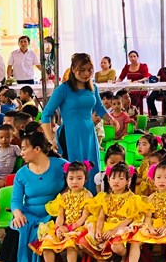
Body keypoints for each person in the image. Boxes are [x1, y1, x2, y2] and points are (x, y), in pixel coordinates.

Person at [0, 132, 67, 262]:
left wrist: (66, 192)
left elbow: (77, 178)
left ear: (37, 149)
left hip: (53, 212)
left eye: (24, 148)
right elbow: (16, 200)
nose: (21, 153)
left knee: (51, 227)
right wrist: (17, 213)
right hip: (29, 212)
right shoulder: (21, 174)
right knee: (16, 226)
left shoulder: (61, 165)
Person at [41, 53, 116, 191]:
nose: (86, 74)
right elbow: (46, 114)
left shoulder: (93, 87)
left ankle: (92, 198)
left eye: (89, 70)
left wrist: (111, 119)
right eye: (82, 70)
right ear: (73, 69)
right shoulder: (63, 89)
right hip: (70, 134)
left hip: (89, 134)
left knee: (92, 168)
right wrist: (50, 139)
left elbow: (99, 108)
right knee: (74, 171)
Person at [30, 161, 93, 262]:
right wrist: (58, 228)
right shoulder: (63, 196)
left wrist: (70, 228)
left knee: (70, 243)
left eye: (79, 178)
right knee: (47, 241)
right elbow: (60, 216)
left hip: (79, 228)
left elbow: (84, 217)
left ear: (85, 179)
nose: (74, 182)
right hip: (64, 227)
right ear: (66, 179)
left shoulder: (87, 195)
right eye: (71, 178)